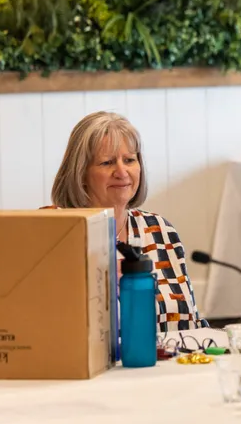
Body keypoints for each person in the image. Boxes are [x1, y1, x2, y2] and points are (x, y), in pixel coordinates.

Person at [50, 111, 206, 333]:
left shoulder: (159, 230)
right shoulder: (58, 233)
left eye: (130, 160)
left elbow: (193, 322)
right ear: (80, 173)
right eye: (107, 162)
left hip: (173, 363)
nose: (122, 172)